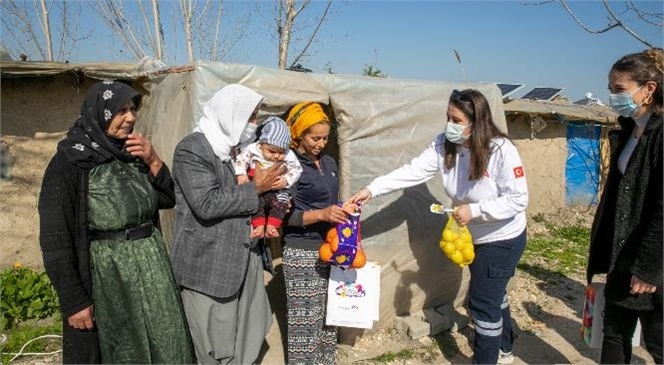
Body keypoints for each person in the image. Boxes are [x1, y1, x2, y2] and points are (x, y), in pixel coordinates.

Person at [348, 89, 529, 365]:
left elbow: (518, 199)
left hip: (503, 237)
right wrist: (371, 189)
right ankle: (504, 348)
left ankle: (487, 359)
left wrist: (475, 210)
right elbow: (412, 171)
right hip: (474, 236)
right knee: (493, 293)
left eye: (456, 120)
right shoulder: (444, 144)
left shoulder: (501, 150)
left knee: (481, 303)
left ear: (476, 121)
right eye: (448, 118)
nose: (450, 125)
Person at [38, 80, 193, 364]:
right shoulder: (69, 163)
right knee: (121, 347)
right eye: (121, 110)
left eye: (132, 109)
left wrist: (155, 161)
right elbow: (55, 239)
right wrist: (74, 300)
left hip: (152, 267)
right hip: (109, 275)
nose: (131, 117)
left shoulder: (134, 153)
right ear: (100, 112)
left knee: (167, 341)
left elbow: (167, 199)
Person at [170, 84, 285, 365]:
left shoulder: (233, 149)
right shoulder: (193, 149)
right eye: (251, 117)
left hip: (243, 259)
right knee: (215, 347)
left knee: (250, 330)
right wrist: (255, 188)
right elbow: (206, 203)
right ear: (229, 114)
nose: (254, 125)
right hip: (210, 267)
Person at [586, 47, 663, 364]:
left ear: (649, 89)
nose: (613, 96)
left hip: (654, 262)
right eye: (610, 89)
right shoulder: (629, 131)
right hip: (622, 253)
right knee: (614, 335)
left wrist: (648, 269)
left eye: (620, 89)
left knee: (659, 342)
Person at [281, 101, 354, 364]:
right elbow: (282, 216)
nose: (321, 143)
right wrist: (322, 214)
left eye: (325, 138)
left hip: (330, 251)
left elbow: (331, 201)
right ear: (298, 134)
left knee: (327, 321)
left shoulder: (329, 162)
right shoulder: (289, 166)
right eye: (315, 138)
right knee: (305, 327)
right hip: (302, 253)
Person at [233, 116, 303, 238]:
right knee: (255, 204)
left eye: (281, 152)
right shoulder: (253, 149)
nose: (276, 156)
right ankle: (259, 227)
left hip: (277, 189)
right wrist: (241, 174)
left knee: (282, 203)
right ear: (262, 144)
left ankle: (272, 226)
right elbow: (241, 160)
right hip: (258, 189)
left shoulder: (288, 155)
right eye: (272, 151)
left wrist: (286, 180)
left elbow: (297, 169)